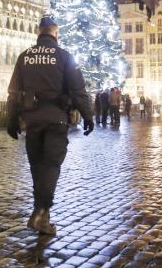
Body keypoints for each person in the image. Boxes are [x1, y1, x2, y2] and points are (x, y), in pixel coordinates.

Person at [6, 16, 95, 236]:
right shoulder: (64, 57)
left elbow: (13, 93)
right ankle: (41, 210)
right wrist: (88, 116)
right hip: (56, 119)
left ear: (39, 33)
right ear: (56, 34)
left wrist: (11, 119)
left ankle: (42, 216)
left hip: (32, 120)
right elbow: (78, 90)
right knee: (51, 165)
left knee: (37, 166)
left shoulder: (25, 56)